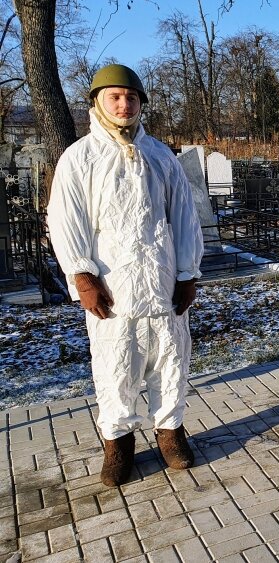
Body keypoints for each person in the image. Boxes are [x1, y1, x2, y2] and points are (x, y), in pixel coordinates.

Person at [47, 64, 203, 487]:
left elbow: (184, 217)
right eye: (114, 97)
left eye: (131, 97)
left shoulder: (159, 155)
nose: (123, 104)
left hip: (162, 279)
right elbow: (66, 220)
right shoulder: (80, 158)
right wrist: (82, 276)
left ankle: (170, 431)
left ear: (141, 104)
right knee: (117, 364)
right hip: (113, 286)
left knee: (171, 359)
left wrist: (187, 273)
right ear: (97, 102)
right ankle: (118, 442)